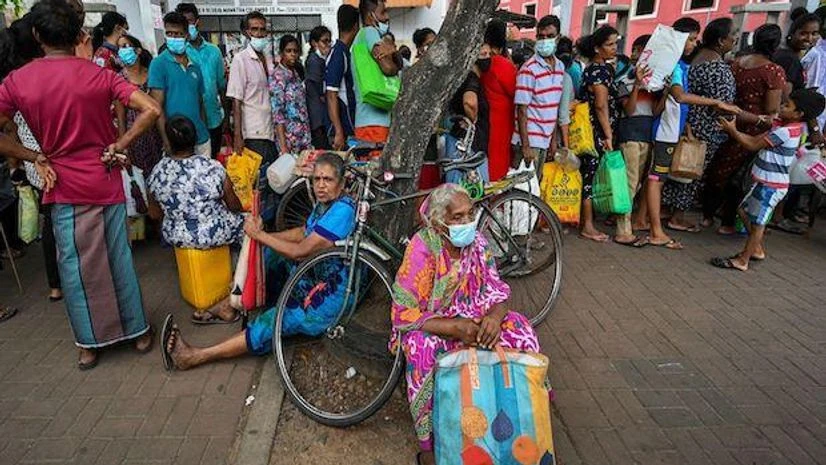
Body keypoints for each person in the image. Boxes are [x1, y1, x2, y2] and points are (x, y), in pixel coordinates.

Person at [0, 0, 162, 369]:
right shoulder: (100, 75)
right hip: (103, 177)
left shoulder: (18, 81)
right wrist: (120, 143)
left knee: (75, 267)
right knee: (117, 259)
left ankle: (89, 344)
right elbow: (151, 109)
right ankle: (137, 332)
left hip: (61, 184)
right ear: (78, 35)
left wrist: (33, 156)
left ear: (37, 34)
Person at [390, 183, 542, 465]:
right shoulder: (422, 247)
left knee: (521, 330)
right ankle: (431, 447)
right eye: (457, 217)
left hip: (476, 317)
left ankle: (521, 416)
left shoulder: (479, 244)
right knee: (422, 349)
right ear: (439, 223)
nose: (467, 222)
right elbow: (403, 312)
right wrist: (456, 328)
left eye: (470, 214)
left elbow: (497, 292)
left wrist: (494, 319)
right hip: (436, 324)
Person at [161, 153, 357, 367]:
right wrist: (264, 239)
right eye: (317, 179)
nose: (320, 185)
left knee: (272, 320)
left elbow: (300, 251)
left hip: (327, 295)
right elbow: (304, 232)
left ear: (341, 183)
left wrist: (260, 236)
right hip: (313, 274)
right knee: (268, 254)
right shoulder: (326, 203)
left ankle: (196, 356)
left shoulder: (343, 211)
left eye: (328, 180)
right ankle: (230, 305)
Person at [635, 18, 740, 249]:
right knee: (656, 180)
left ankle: (643, 221)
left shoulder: (679, 66)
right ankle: (656, 232)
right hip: (665, 131)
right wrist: (716, 103)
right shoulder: (675, 67)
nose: (694, 44)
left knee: (655, 178)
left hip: (670, 130)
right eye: (691, 39)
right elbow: (680, 97)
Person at [711, 88, 825, 271]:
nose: (782, 107)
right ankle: (755, 249)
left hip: (770, 185)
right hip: (765, 181)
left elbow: (752, 144)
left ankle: (743, 260)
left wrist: (732, 130)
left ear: (799, 114)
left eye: (787, 106)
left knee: (758, 224)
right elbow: (756, 139)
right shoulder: (787, 128)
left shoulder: (785, 132)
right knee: (744, 211)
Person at [702, 24, 786, 235]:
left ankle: (707, 215)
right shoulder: (773, 71)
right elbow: (772, 109)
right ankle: (728, 222)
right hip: (755, 128)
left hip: (729, 121)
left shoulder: (736, 64)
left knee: (720, 169)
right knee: (741, 177)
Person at [0, 13, 60, 300]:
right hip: (49, 159)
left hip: (37, 160)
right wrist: (32, 156)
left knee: (52, 220)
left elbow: (9, 129)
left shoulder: (12, 81)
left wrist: (23, 159)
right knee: (60, 221)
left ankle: (55, 285)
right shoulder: (25, 81)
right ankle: (60, 281)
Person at [662, 18, 739, 233]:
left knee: (678, 170)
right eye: (733, 36)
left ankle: (666, 209)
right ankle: (677, 217)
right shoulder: (717, 68)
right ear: (721, 40)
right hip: (706, 128)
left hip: (685, 122)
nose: (735, 40)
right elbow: (723, 105)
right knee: (692, 172)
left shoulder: (695, 60)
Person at [147, 115, 243, 249]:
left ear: (168, 141)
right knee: (247, 222)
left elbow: (154, 214)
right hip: (214, 234)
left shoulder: (157, 172)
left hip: (176, 236)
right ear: (195, 138)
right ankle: (237, 259)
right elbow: (234, 206)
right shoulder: (213, 167)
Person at [578, 25, 621, 243]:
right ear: (597, 48)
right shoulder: (599, 71)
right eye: (609, 44)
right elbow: (601, 106)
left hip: (595, 131)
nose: (614, 48)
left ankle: (588, 221)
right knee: (590, 176)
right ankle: (587, 225)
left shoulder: (600, 69)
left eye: (615, 43)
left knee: (591, 175)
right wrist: (608, 135)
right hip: (596, 133)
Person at [148, 12, 211, 158]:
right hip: (176, 141)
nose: (173, 37)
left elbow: (200, 102)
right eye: (169, 33)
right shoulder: (158, 64)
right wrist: (167, 141)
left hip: (200, 138)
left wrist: (205, 130)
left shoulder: (194, 65)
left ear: (186, 36)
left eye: (177, 34)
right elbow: (157, 108)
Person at [512, 15, 565, 182]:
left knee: (536, 188)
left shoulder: (560, 67)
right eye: (541, 36)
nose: (544, 40)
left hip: (545, 140)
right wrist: (526, 146)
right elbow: (521, 109)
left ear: (558, 38)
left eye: (550, 36)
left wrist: (553, 141)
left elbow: (553, 107)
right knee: (524, 190)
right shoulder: (529, 69)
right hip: (530, 141)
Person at [614, 34, 654, 244]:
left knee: (635, 183)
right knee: (629, 183)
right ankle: (623, 230)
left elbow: (656, 110)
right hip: (629, 134)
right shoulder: (624, 79)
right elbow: (629, 110)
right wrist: (637, 85)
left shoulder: (655, 81)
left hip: (645, 134)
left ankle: (623, 223)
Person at [176, 3, 227, 159]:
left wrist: (226, 118)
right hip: (188, 123)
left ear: (197, 22)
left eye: (189, 21)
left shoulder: (214, 51)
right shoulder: (179, 53)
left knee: (212, 162)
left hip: (214, 119)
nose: (187, 26)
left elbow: (222, 86)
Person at [227, 11, 276, 163]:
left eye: (262, 29)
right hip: (253, 132)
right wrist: (237, 136)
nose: (259, 33)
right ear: (247, 32)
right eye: (255, 29)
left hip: (271, 128)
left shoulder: (268, 58)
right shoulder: (240, 60)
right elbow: (236, 100)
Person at [351, 0, 399, 148]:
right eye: (383, 12)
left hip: (366, 122)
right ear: (371, 16)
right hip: (375, 125)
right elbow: (387, 68)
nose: (387, 17)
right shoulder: (370, 32)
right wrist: (392, 53)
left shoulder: (360, 37)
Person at [443, 43, 492, 184]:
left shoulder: (460, 78)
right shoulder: (471, 79)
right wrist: (472, 120)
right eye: (483, 54)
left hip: (459, 140)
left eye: (489, 54)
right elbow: (469, 102)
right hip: (468, 144)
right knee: (472, 188)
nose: (487, 58)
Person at [115, 35, 163, 176]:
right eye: (119, 47)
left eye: (125, 46)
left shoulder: (151, 73)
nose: (122, 50)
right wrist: (123, 144)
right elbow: (120, 116)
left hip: (155, 132)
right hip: (135, 135)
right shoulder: (119, 79)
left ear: (138, 50)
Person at [480, 19, 516, 181]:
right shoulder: (503, 65)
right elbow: (517, 93)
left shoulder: (481, 61)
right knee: (498, 165)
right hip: (501, 123)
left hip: (484, 121)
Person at [326, 4, 360, 151]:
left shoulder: (344, 52)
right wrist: (339, 131)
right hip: (342, 130)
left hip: (347, 127)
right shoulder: (339, 54)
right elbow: (331, 94)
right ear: (356, 26)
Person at [271, 34, 312, 155]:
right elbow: (277, 114)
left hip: (303, 136)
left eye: (295, 51)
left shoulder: (295, 73)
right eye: (288, 51)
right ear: (281, 53)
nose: (293, 54)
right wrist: (283, 146)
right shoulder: (277, 77)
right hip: (289, 140)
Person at [306, 25, 333, 150]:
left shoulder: (321, 60)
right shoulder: (314, 60)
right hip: (317, 114)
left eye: (329, 41)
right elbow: (318, 86)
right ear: (314, 43)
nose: (328, 45)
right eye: (324, 41)